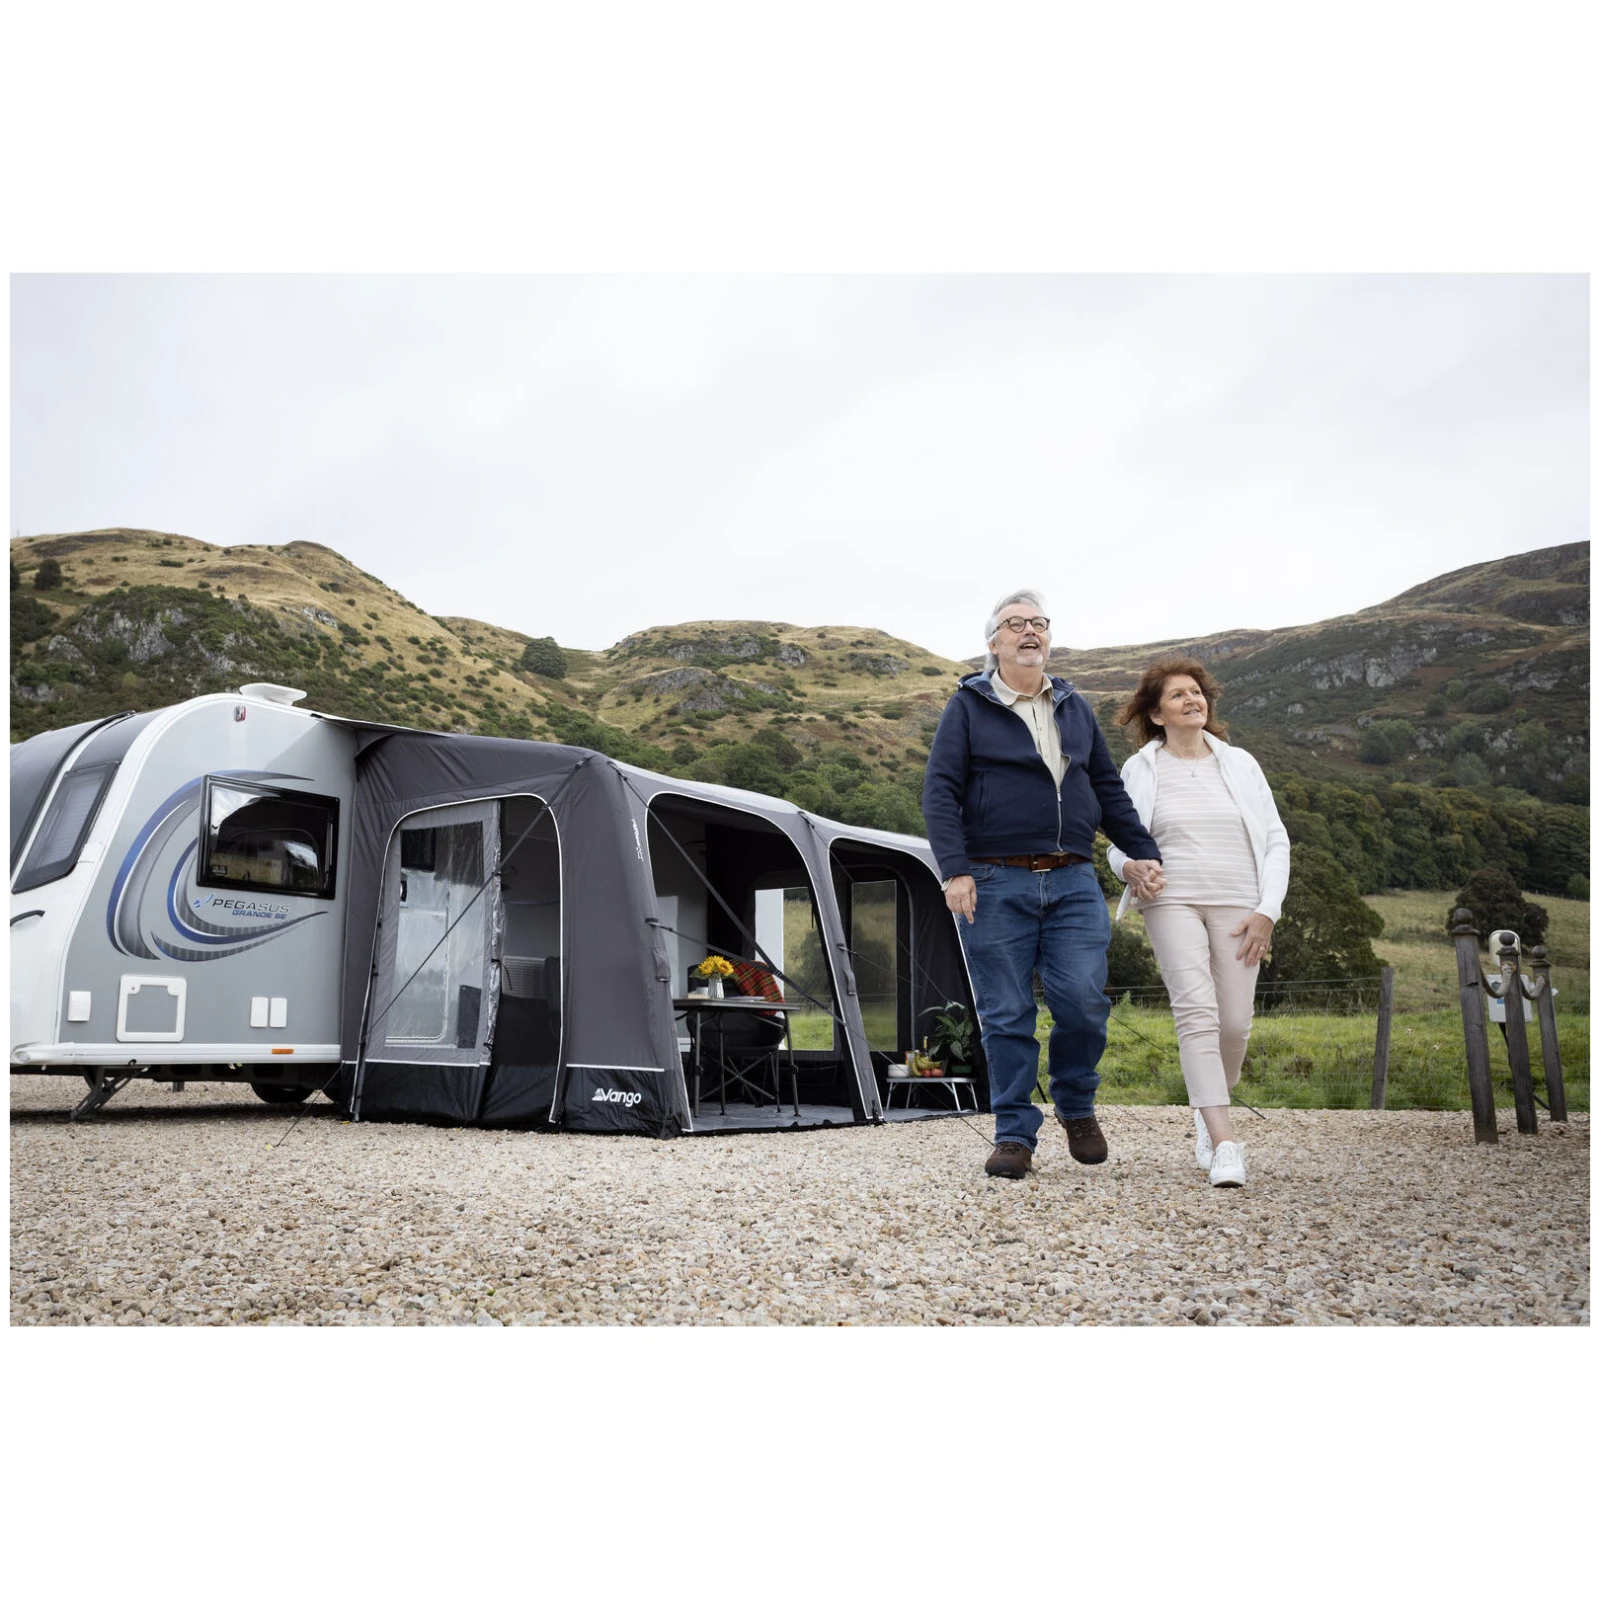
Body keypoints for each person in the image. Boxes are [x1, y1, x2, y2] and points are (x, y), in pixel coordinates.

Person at [922, 590, 1165, 1180]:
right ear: (994, 642)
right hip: (992, 878)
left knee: (1083, 1001)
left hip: (1073, 878)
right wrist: (955, 869)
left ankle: (1076, 1105)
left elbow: (1106, 787)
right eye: (1015, 623)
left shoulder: (1074, 706)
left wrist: (1143, 852)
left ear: (1048, 638)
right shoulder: (968, 706)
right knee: (1006, 1013)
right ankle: (1013, 1132)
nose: (1029, 631)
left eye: (1038, 622)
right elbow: (940, 791)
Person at [1108, 660, 1291, 1188]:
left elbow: (1275, 840)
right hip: (1172, 900)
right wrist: (1128, 867)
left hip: (1240, 901)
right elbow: (1119, 841)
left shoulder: (1241, 763)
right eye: (1178, 695)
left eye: (1197, 692)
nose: (1193, 700)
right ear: (1156, 714)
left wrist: (1268, 910)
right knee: (1196, 1013)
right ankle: (1224, 1140)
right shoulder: (1140, 769)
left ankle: (1207, 1105)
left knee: (1233, 1024)